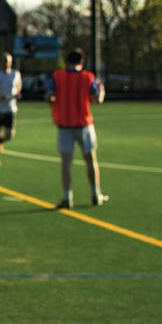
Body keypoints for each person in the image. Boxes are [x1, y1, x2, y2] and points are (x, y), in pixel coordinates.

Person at [45, 48, 108, 209]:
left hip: (64, 125)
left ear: (67, 61)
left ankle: (67, 197)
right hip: (84, 125)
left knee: (66, 163)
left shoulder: (58, 76)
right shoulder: (88, 77)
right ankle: (95, 194)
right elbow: (96, 100)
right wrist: (102, 90)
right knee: (90, 160)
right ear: (82, 62)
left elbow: (49, 96)